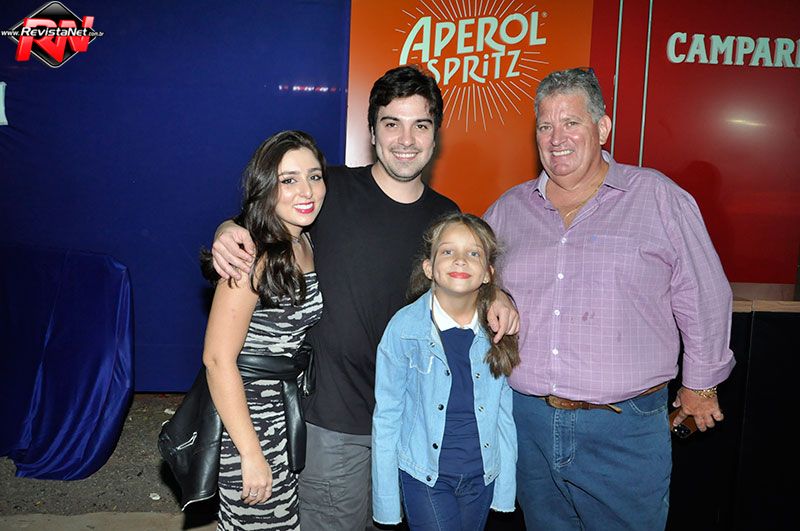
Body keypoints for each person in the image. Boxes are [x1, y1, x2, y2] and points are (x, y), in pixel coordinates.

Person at [210, 66, 520, 530]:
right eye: (392, 123)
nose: (406, 139)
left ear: (435, 136)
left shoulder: (446, 216)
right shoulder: (327, 191)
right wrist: (226, 230)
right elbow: (259, 224)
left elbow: (469, 280)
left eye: (421, 125)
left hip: (415, 426)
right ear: (372, 132)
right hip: (335, 422)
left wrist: (498, 296)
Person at [483, 67, 736, 529]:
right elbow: (470, 285)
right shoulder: (507, 210)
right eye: (545, 125)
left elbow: (703, 292)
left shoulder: (657, 197)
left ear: (602, 128)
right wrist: (492, 292)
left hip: (624, 428)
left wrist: (701, 385)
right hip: (527, 423)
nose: (556, 138)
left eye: (571, 122)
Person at [200, 130, 326, 530]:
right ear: (266, 187)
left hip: (285, 415)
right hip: (249, 424)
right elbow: (217, 360)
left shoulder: (305, 240)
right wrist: (250, 454)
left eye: (314, 176)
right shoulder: (250, 256)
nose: (306, 190)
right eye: (288, 180)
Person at [372, 212, 518, 530]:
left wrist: (505, 489)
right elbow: (387, 417)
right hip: (425, 476)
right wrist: (386, 503)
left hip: (482, 477)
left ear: (488, 273)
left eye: (474, 253)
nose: (460, 260)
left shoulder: (497, 330)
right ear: (429, 267)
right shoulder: (403, 330)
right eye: (448, 251)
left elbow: (504, 416)